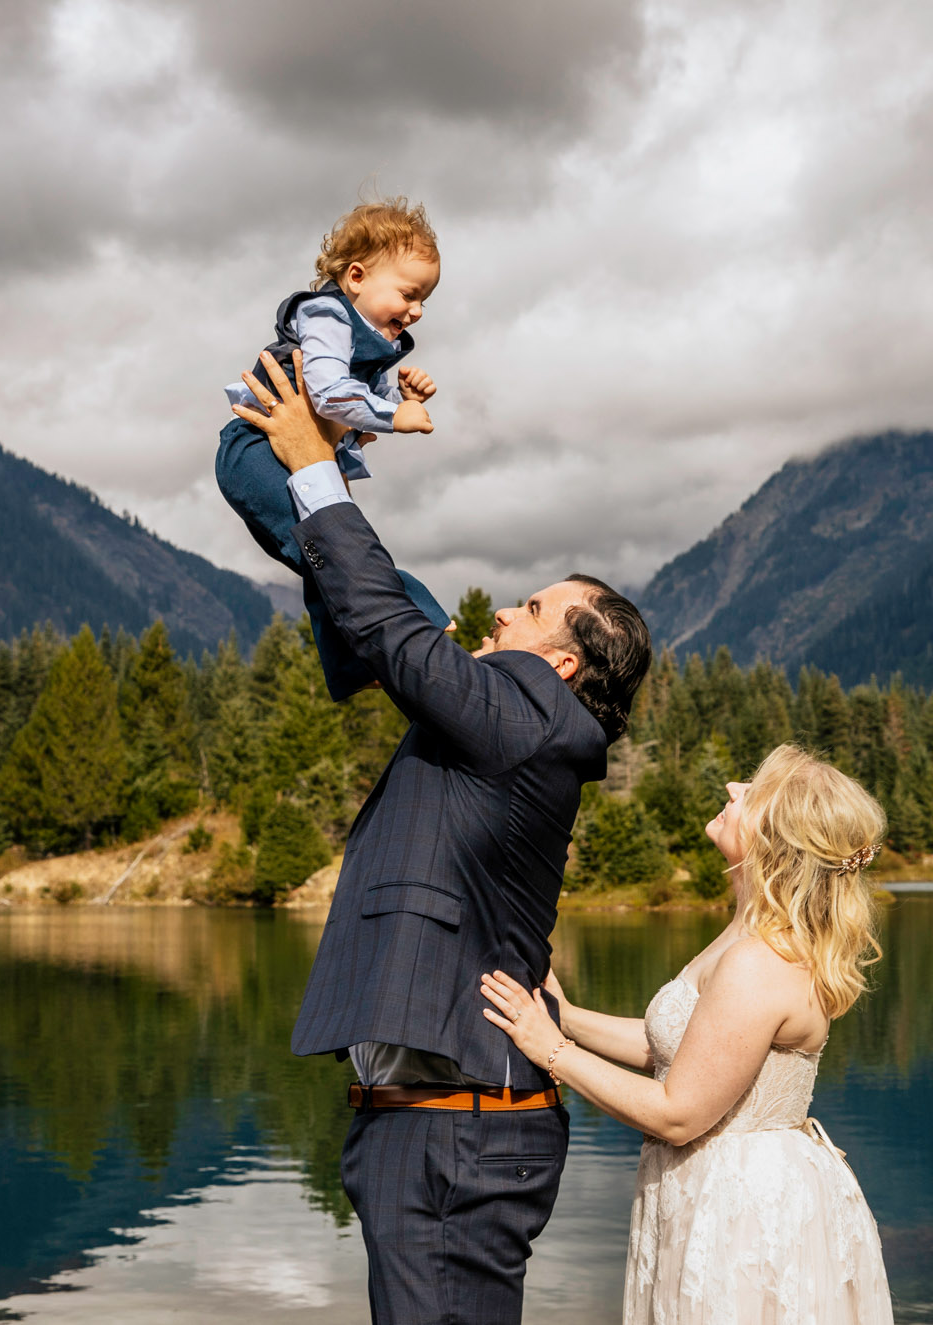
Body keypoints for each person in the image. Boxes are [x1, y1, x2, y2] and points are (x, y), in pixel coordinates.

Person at [229, 348, 653, 1325]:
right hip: (432, 1126)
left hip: (454, 1132)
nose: (502, 607)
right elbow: (378, 613)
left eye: (532, 607)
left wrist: (313, 468)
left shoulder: (535, 713)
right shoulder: (505, 719)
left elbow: (393, 628)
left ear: (558, 661)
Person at [481, 744, 895, 1324]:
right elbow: (675, 1050)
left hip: (744, 1211)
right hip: (712, 1191)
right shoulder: (747, 934)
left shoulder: (761, 962)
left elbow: (679, 1111)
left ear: (778, 838)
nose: (732, 788)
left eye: (753, 791)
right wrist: (564, 1015)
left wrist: (551, 1050)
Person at [217, 196, 454, 700]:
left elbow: (352, 392)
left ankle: (350, 667)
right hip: (259, 449)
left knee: (319, 559)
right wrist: (396, 416)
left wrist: (398, 394)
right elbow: (327, 392)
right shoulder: (326, 313)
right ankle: (418, 620)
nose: (415, 311)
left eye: (423, 302)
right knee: (335, 547)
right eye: (409, 294)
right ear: (356, 277)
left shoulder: (368, 332)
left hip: (290, 450)